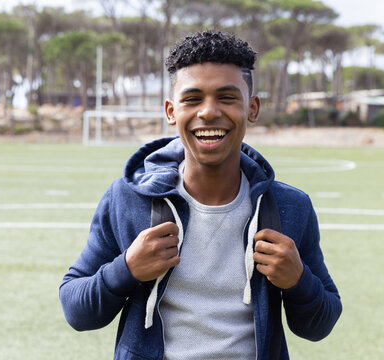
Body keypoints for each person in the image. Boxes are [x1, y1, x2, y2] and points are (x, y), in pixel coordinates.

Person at [59, 30, 342, 360]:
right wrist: (126, 269)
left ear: (252, 108)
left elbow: (319, 325)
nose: (208, 112)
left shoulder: (289, 207)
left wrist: (298, 280)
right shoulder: (128, 199)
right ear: (170, 111)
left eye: (226, 97)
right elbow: (76, 310)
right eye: (192, 99)